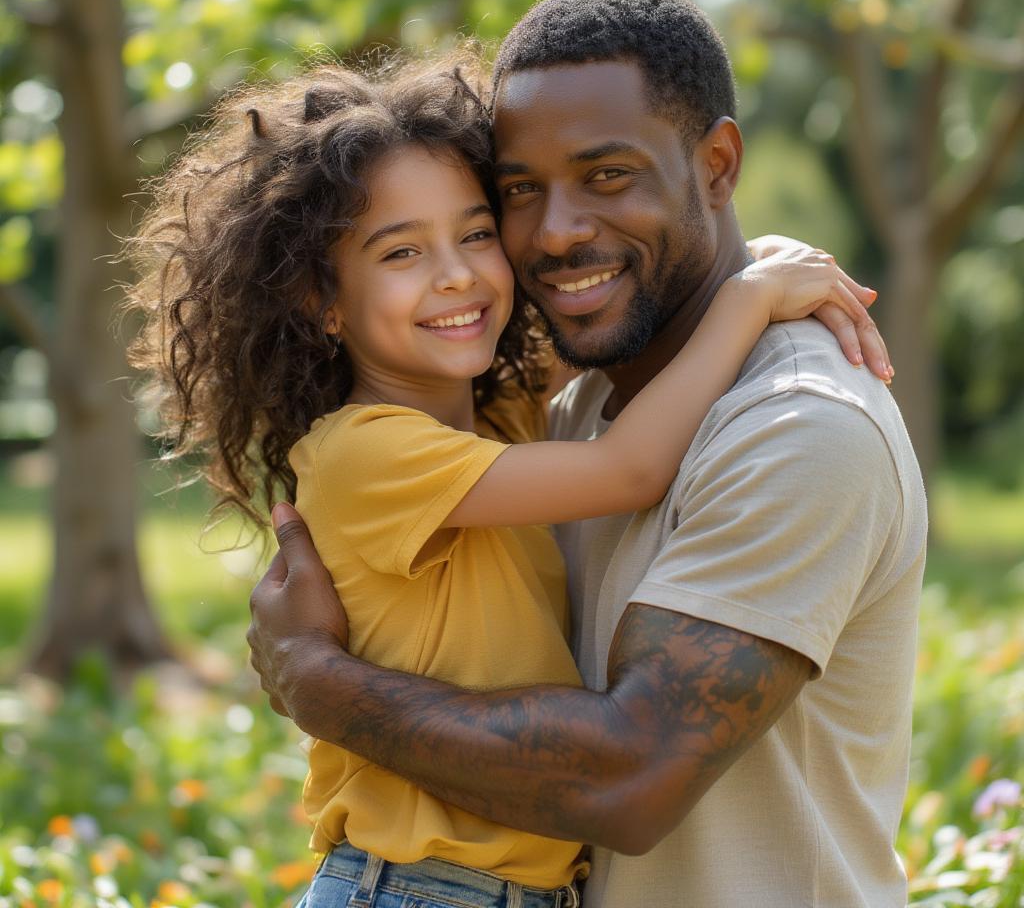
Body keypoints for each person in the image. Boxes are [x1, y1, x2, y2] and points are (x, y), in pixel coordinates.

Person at [126, 47, 882, 908]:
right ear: (322, 302)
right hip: (417, 888)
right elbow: (629, 467)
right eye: (400, 252)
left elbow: (639, 323)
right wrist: (751, 296)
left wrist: (747, 254)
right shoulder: (365, 452)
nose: (457, 274)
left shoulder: (500, 424)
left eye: (477, 232)